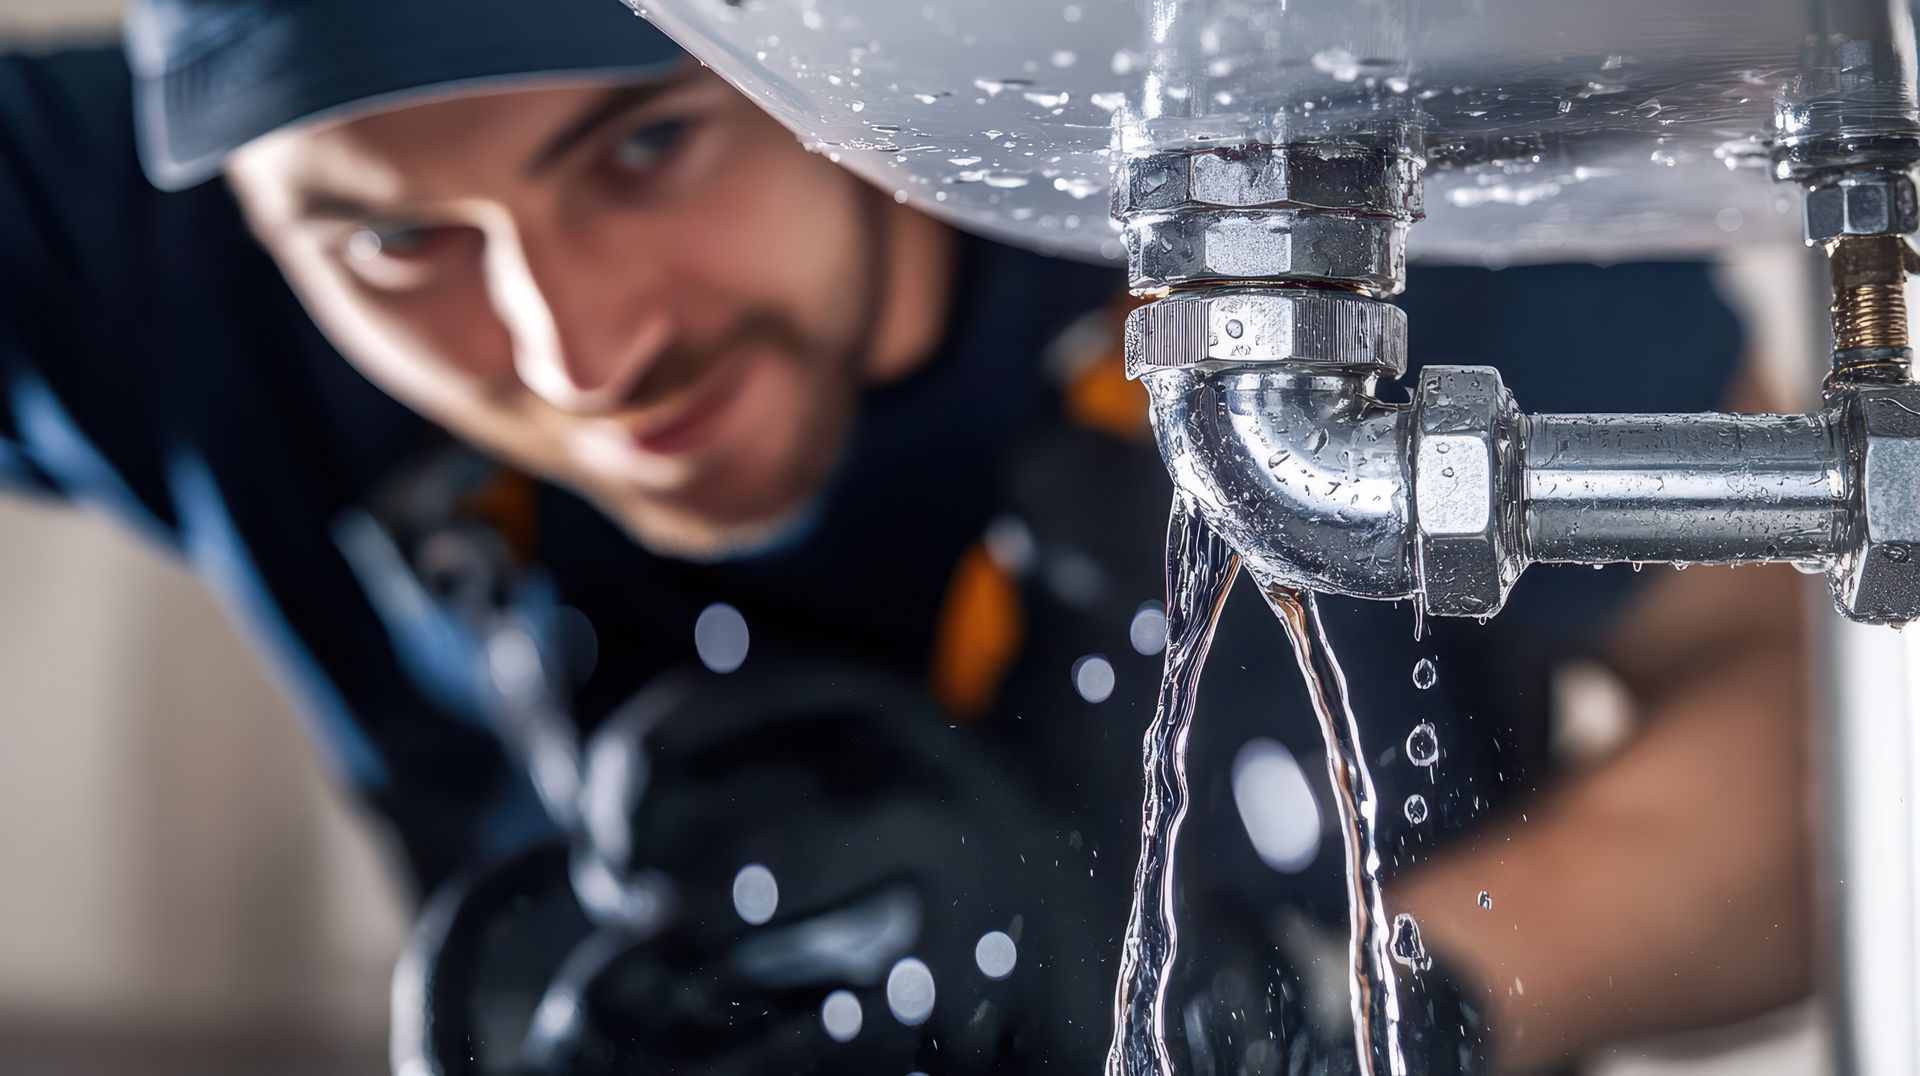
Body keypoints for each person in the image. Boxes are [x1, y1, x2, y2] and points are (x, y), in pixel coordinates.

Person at [0, 0, 1812, 1071]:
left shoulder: (1298, 145)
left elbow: (1812, 741)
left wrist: (1322, 1021)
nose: (575, 347)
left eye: (643, 152)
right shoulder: (155, 272)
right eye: (396, 250)